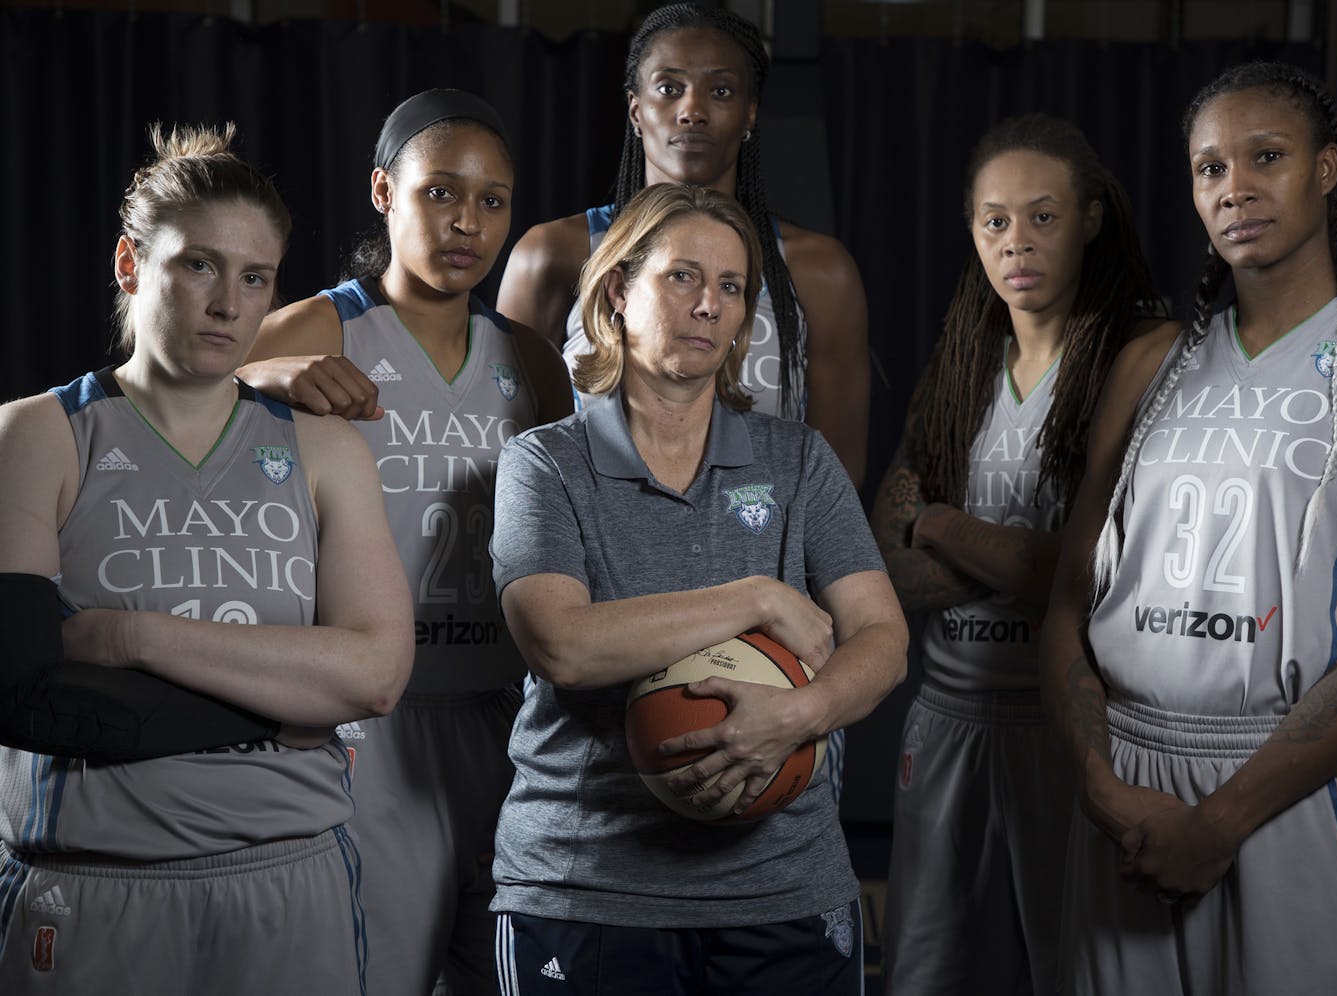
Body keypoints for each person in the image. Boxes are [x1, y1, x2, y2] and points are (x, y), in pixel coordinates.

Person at [1041, 61, 1337, 994]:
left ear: (1328, 169)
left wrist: (1218, 823)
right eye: (1210, 168)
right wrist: (1098, 780)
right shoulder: (1151, 360)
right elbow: (1067, 601)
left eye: (1267, 157)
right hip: (1128, 782)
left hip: (1294, 788)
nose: (1236, 189)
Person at [0, 123, 413, 994]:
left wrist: (127, 638)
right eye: (198, 265)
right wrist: (288, 703)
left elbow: (374, 675)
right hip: (93, 879)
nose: (229, 302)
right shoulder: (36, 434)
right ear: (129, 262)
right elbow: (25, 689)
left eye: (254, 276)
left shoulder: (325, 450)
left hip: (291, 876)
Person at [487, 182, 907, 995]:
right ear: (617, 291)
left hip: (782, 889)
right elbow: (563, 645)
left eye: (730, 286)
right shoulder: (544, 464)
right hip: (586, 887)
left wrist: (796, 716)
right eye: (682, 277)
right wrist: (759, 596)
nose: (709, 305)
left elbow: (882, 642)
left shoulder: (798, 461)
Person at [240, 89, 570, 996]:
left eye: (493, 201)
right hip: (366, 723)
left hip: (506, 717)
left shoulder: (531, 359)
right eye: (440, 193)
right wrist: (265, 372)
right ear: (384, 191)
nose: (467, 221)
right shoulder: (320, 327)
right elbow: (167, 408)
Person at [870, 113, 1169, 994]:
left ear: (1091, 219)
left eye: (1043, 215)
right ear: (972, 232)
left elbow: (1092, 577)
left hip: (1068, 722)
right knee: (928, 972)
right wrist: (1026, 558)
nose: (1017, 242)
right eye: (995, 221)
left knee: (1068, 966)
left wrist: (944, 525)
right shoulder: (964, 360)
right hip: (947, 714)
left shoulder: (1135, 361)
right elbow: (884, 561)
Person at [497, 3, 869, 489]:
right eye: (669, 88)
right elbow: (513, 449)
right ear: (635, 109)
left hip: (758, 550)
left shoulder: (818, 270)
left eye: (720, 91)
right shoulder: (553, 254)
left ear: (749, 112)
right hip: (591, 552)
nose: (692, 110)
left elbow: (837, 483)